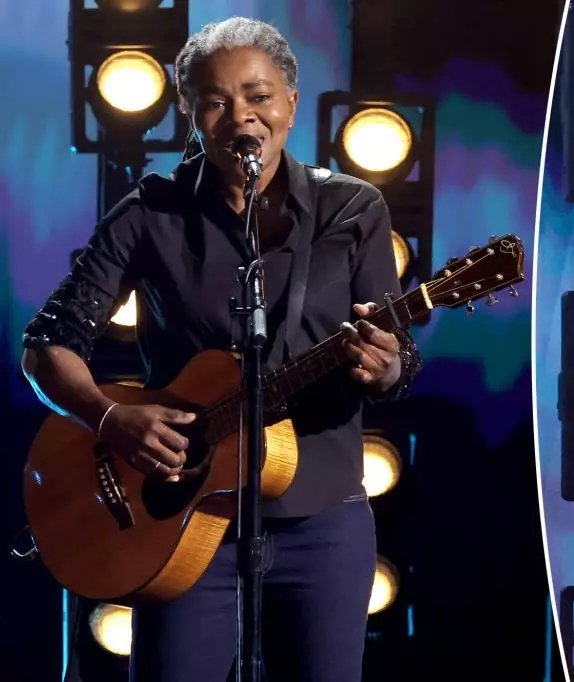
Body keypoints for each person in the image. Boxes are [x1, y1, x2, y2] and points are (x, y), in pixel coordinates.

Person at [21, 17, 420, 682]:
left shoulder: (354, 211)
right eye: (216, 100)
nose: (242, 117)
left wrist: (388, 366)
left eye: (259, 96)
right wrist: (111, 418)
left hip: (322, 522)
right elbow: (47, 346)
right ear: (191, 115)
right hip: (178, 524)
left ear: (291, 102)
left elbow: (398, 357)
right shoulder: (151, 212)